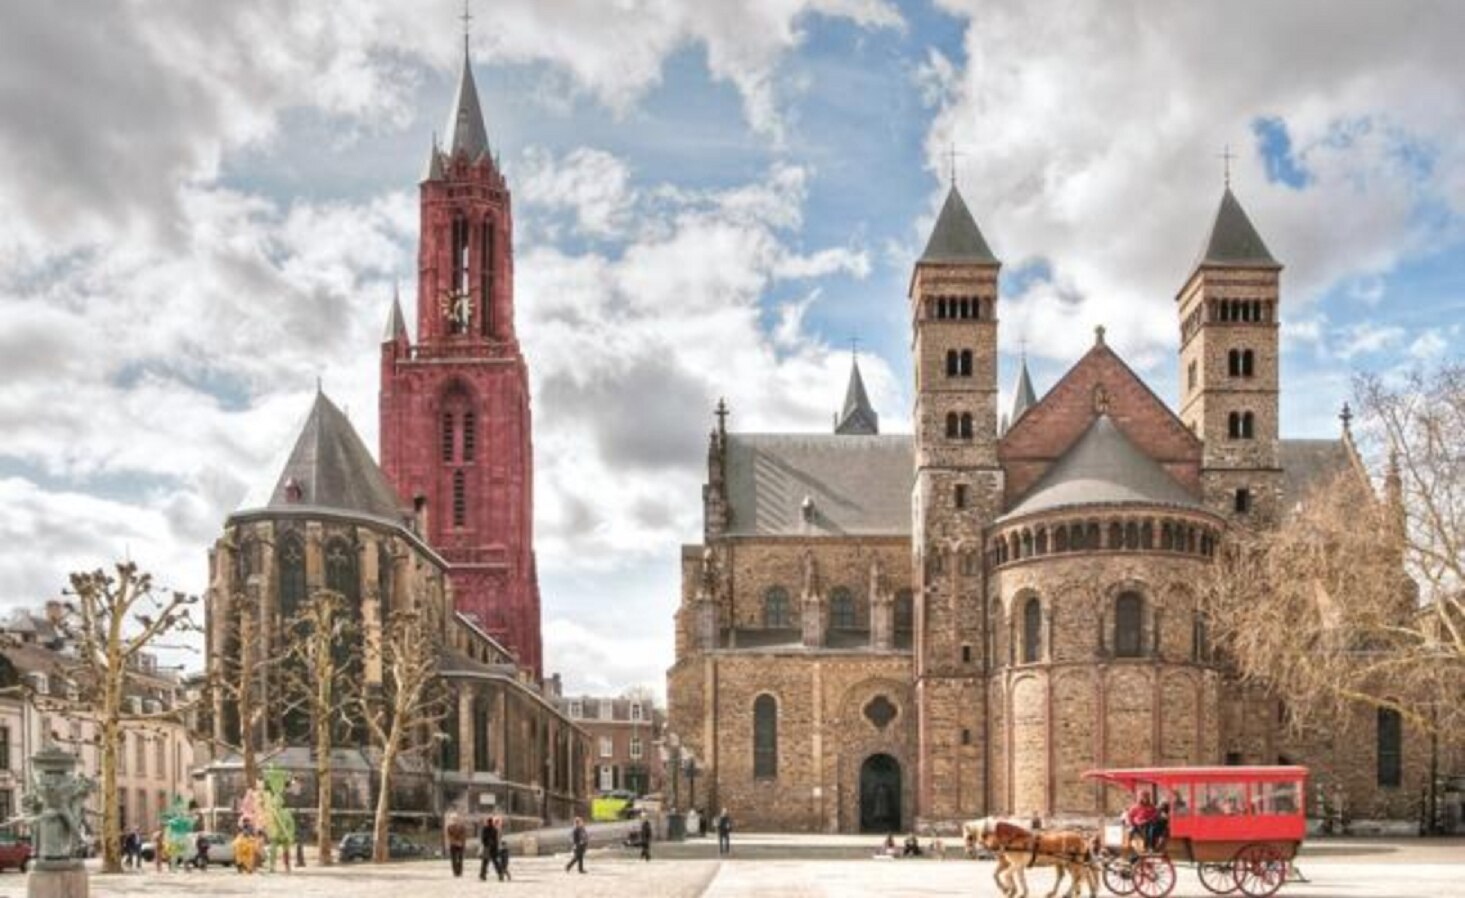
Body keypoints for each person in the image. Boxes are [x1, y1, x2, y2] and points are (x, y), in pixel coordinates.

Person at [478, 814, 501, 881]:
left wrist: (486, 843)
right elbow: (496, 840)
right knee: (495, 862)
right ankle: (500, 873)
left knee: (485, 862)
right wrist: (495, 846)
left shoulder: (485, 829)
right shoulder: (494, 829)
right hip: (493, 848)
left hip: (487, 848)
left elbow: (483, 839)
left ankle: (483, 874)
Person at [445, 812, 466, 877]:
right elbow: (449, 836)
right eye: (453, 819)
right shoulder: (449, 827)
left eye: (456, 818)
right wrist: (455, 842)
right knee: (454, 859)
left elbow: (463, 835)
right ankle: (455, 872)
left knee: (460, 858)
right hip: (453, 845)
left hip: (460, 844)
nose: (455, 820)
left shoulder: (462, 827)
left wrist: (461, 842)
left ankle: (459, 871)